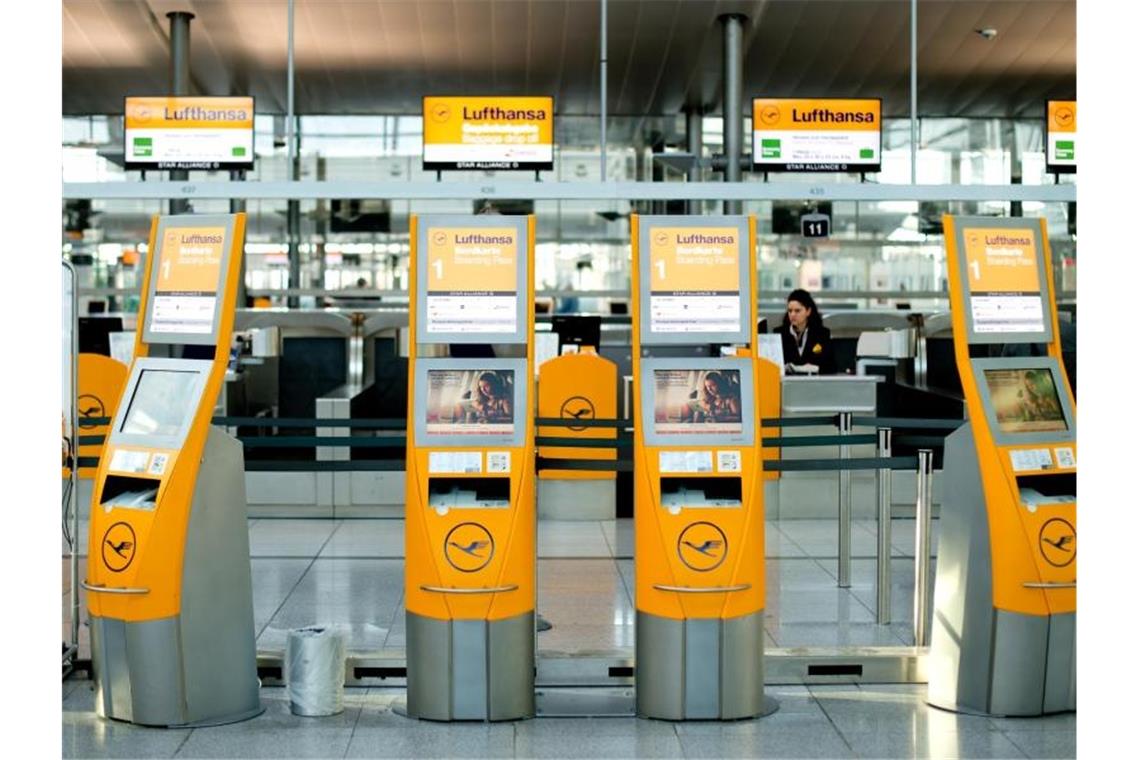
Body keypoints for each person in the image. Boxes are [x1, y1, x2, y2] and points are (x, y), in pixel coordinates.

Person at [777, 289, 837, 374]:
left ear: (808, 311)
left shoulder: (822, 334)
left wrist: (812, 368)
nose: (792, 315)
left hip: (813, 384)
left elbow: (831, 367)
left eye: (797, 311)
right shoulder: (780, 334)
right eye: (790, 311)